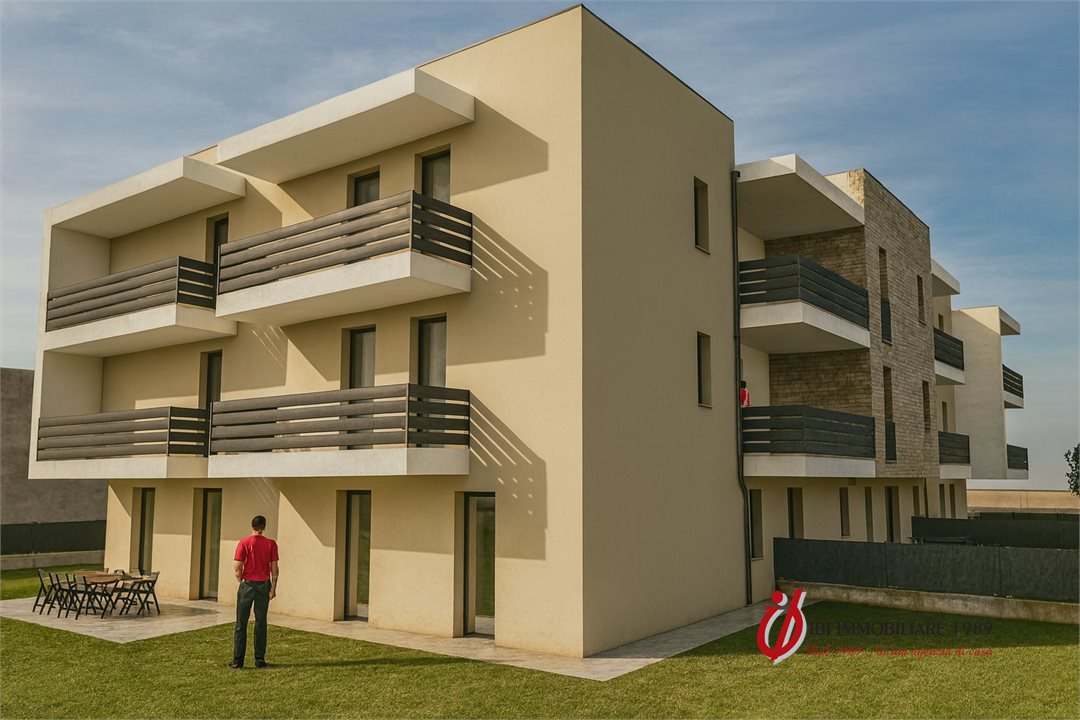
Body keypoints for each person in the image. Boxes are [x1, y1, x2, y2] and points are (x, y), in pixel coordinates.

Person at [230, 515, 279, 669]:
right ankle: (259, 660)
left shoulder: (244, 542)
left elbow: (237, 566)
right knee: (261, 622)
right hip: (264, 586)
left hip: (247, 585)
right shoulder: (271, 544)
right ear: (264, 527)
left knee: (241, 622)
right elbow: (274, 568)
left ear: (252, 525)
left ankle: (238, 661)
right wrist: (273, 588)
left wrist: (241, 580)